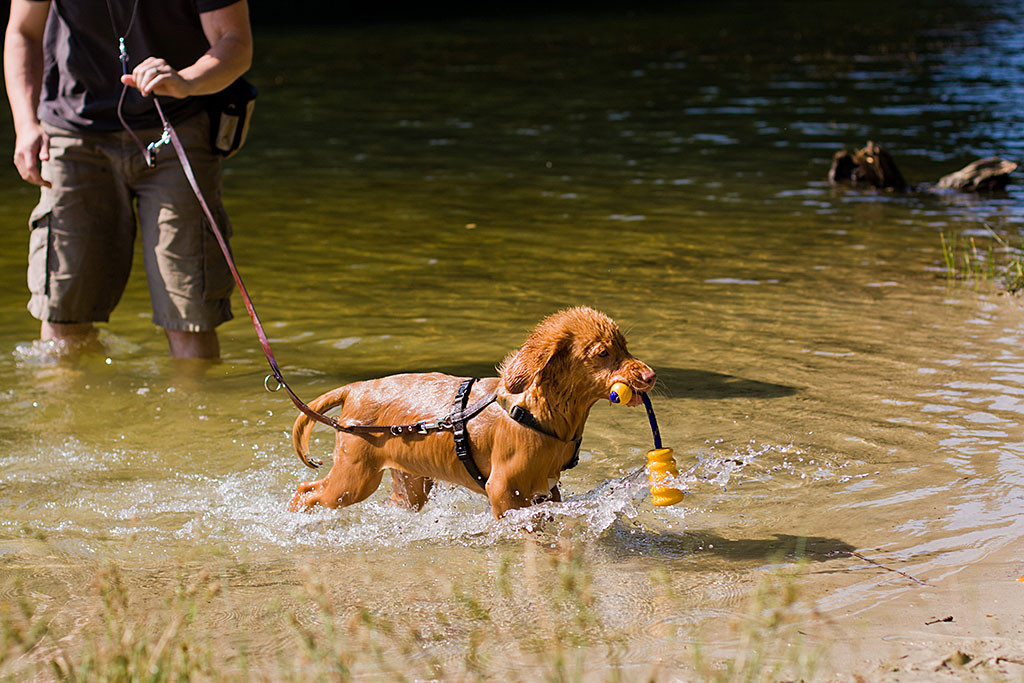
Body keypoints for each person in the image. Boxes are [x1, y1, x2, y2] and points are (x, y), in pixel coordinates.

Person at [4, 0, 253, 359]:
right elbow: (22, 32)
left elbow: (236, 43)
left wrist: (186, 81)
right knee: (63, 312)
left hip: (176, 127)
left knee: (190, 315)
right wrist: (25, 124)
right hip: (73, 134)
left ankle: (193, 413)